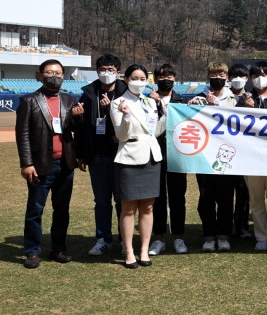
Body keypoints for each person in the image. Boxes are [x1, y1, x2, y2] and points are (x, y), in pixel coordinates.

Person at [17, 59, 84, 269]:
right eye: (48, 72)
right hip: (40, 164)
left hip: (65, 163)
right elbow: (23, 135)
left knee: (62, 209)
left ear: (64, 75)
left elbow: (74, 130)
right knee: (35, 210)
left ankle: (58, 248)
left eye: (57, 72)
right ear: (40, 75)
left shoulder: (69, 99)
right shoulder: (30, 101)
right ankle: (32, 251)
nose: (53, 76)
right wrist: (27, 163)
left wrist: (78, 118)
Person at [109, 64, 166, 268]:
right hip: (129, 158)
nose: (139, 82)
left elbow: (155, 131)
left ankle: (144, 250)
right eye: (135, 78)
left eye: (143, 78)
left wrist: (164, 111)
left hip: (151, 158)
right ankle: (129, 251)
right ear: (126, 80)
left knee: (148, 207)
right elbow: (121, 135)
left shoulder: (150, 102)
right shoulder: (118, 103)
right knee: (128, 208)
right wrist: (125, 115)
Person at [75, 53, 127, 256]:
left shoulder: (126, 92)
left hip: (122, 154)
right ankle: (103, 238)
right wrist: (81, 154)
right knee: (102, 201)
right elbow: (81, 127)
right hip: (97, 156)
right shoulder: (88, 93)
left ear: (118, 72)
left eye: (111, 70)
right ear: (97, 72)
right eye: (103, 70)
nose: (107, 73)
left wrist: (110, 111)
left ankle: (125, 239)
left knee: (123, 200)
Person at [189, 62, 238, 252]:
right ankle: (208, 235)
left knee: (226, 197)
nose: (217, 77)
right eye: (213, 74)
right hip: (205, 156)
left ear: (226, 77)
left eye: (221, 74)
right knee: (206, 198)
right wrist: (192, 106)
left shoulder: (234, 99)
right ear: (208, 76)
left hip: (228, 156)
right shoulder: (198, 98)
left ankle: (224, 234)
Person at [239, 61, 267, 251]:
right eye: (256, 74)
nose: (260, 78)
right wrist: (245, 108)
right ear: (251, 78)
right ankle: (260, 236)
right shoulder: (243, 101)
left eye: (265, 74)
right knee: (256, 198)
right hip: (251, 158)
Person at [148, 63, 189, 255]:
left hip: (177, 155)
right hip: (154, 154)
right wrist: (153, 103)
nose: (166, 80)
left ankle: (179, 237)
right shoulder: (147, 100)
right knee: (157, 197)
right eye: (162, 77)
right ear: (156, 80)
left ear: (175, 79)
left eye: (170, 77)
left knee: (177, 197)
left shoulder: (182, 101)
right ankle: (158, 238)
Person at [228, 63, 252, 240]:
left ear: (247, 79)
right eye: (234, 76)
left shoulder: (250, 98)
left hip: (245, 153)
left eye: (242, 76)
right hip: (226, 150)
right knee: (227, 193)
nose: (238, 80)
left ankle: (242, 225)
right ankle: (227, 226)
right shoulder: (223, 98)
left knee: (244, 193)